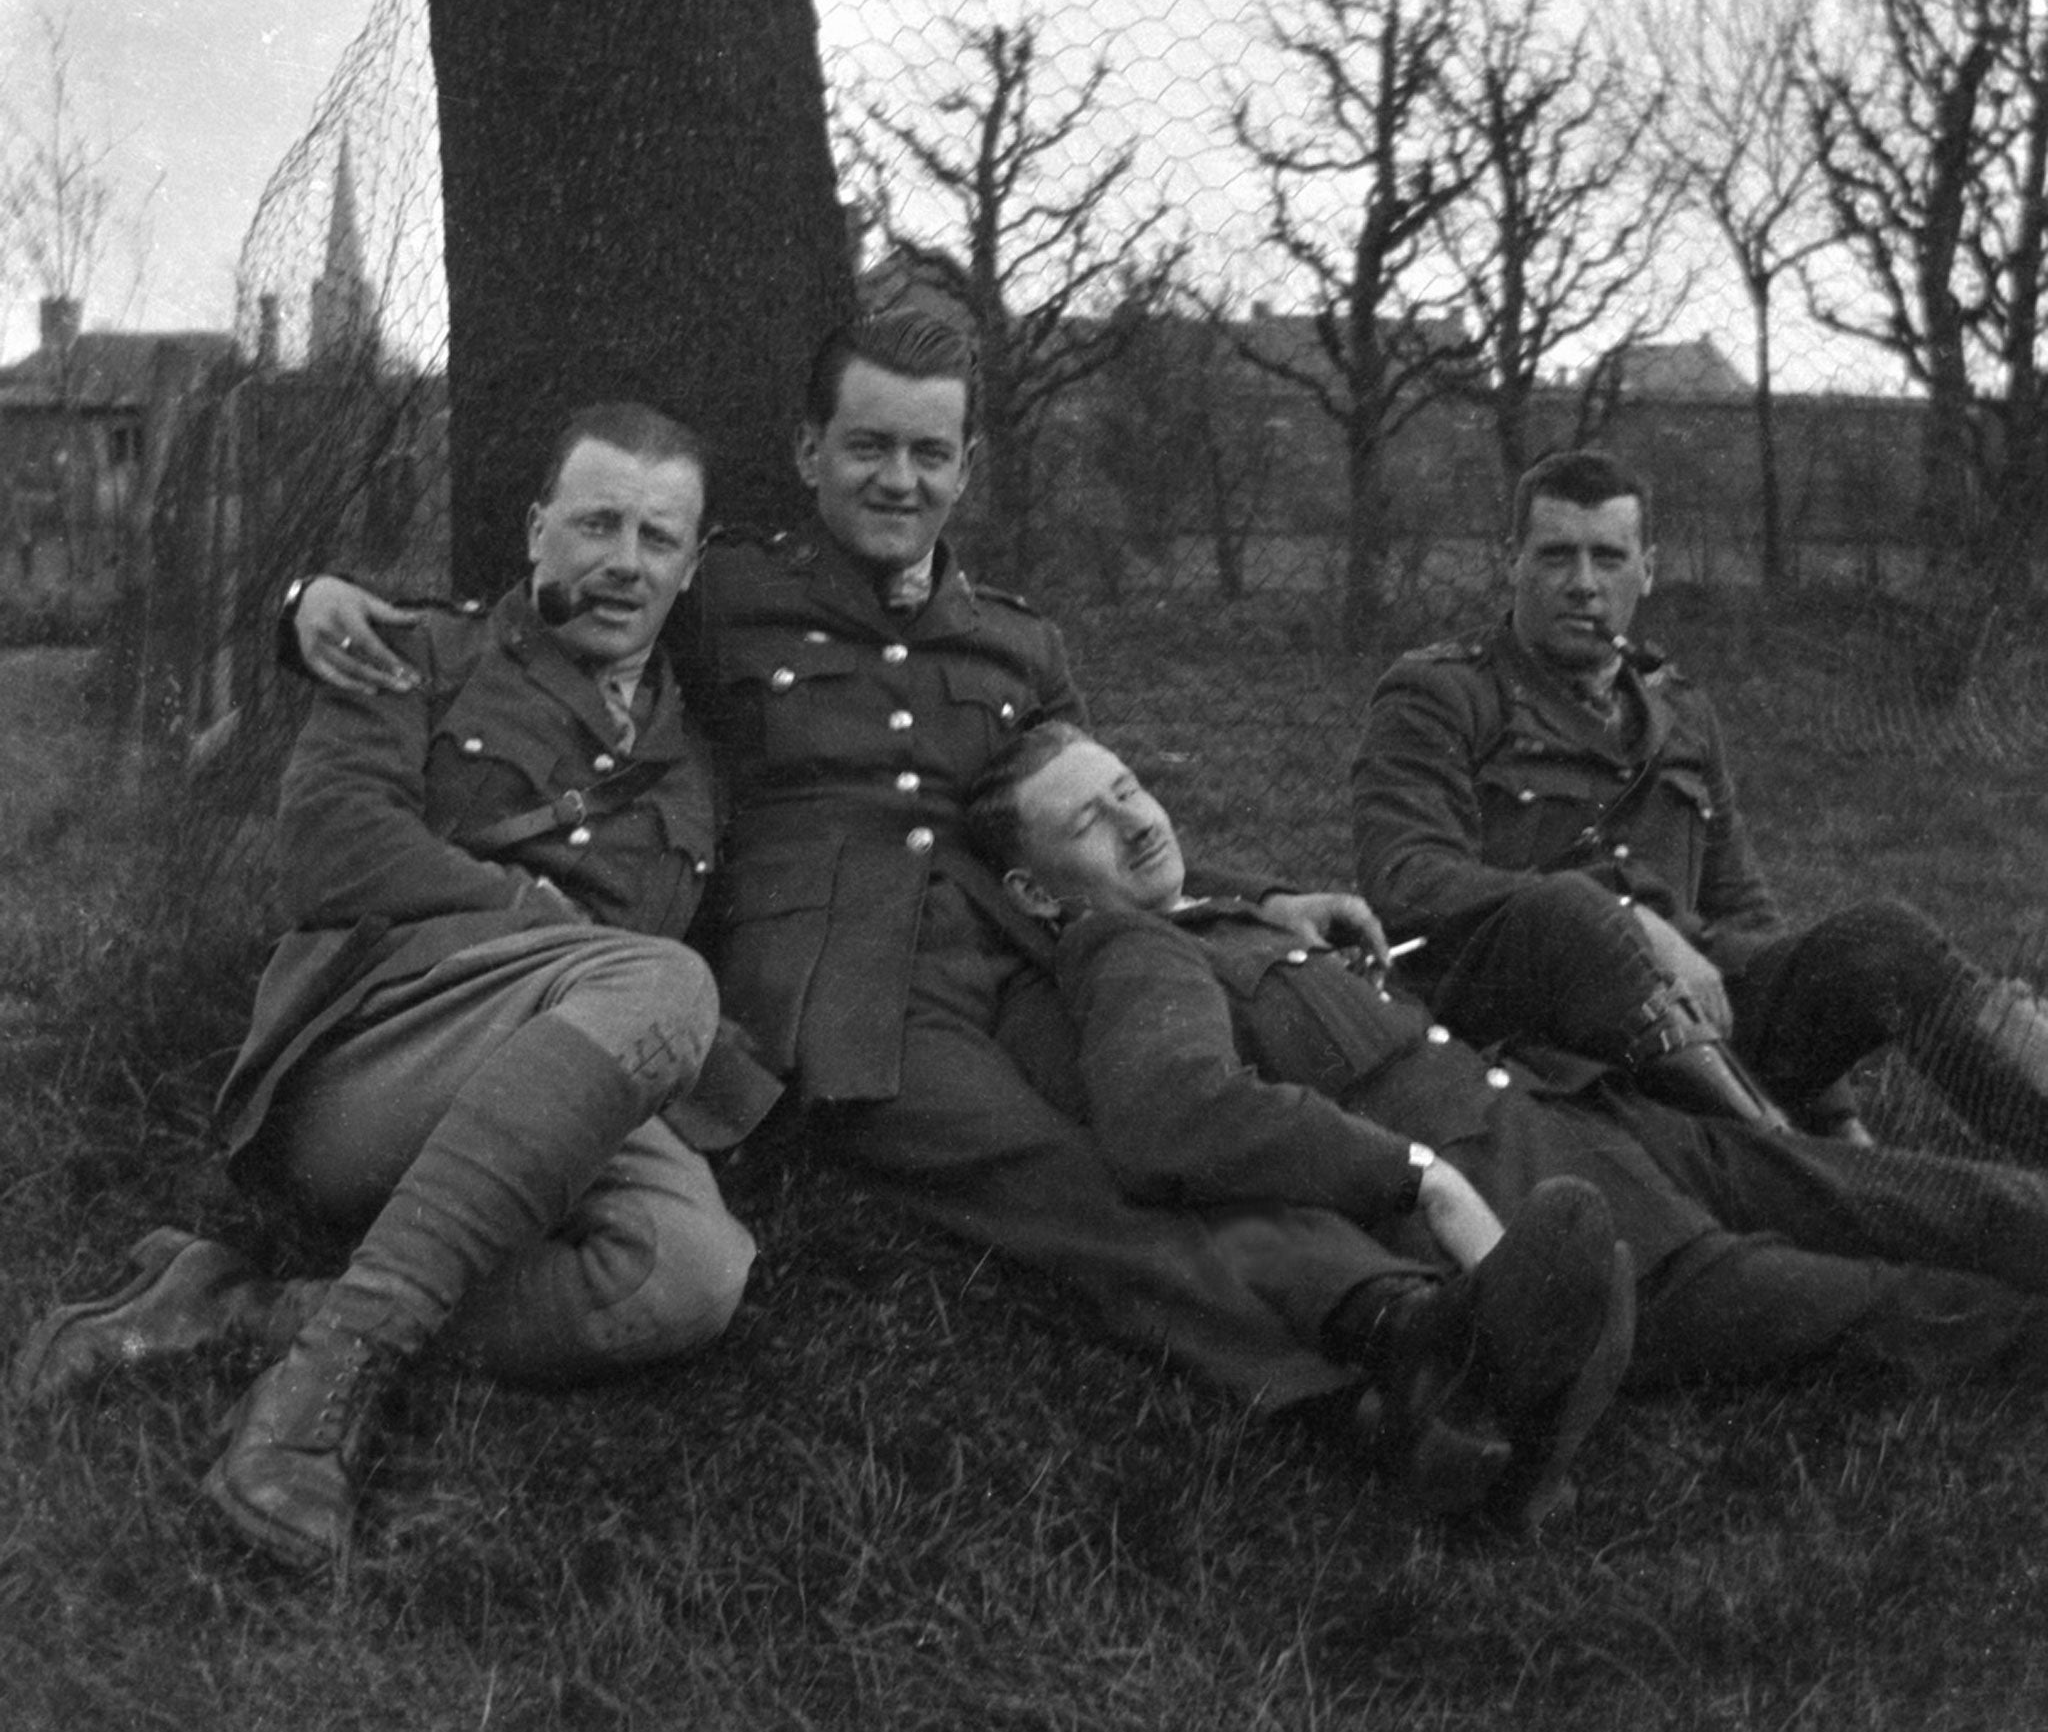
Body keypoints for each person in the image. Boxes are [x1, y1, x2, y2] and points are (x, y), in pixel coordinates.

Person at [254, 312, 1629, 1517]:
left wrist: (1247, 900)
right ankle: (1386, 1340)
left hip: (1023, 946)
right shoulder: (718, 591)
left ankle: (1434, 1348)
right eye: (868, 448)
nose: (897, 480)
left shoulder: (1022, 642)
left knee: (1155, 1127)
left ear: (968, 466)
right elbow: (549, 611)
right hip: (842, 988)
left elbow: (1088, 805)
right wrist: (307, 600)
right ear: (807, 456)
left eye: (929, 453)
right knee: (1064, 1176)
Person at [13, 404, 770, 1569]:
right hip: (376, 1057)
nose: (625, 561)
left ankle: (234, 1307)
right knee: (664, 979)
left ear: (689, 562)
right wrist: (527, 915)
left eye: (657, 538)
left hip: (573, 1075)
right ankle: (315, 1402)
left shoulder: (695, 762)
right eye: (597, 521)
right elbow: (331, 850)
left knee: (689, 1276)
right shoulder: (411, 652)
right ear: (535, 530)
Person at [969, 720, 2048, 1500]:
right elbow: (1171, 1113)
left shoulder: (1221, 914)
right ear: (1034, 892)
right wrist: (1413, 1177)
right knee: (1926, 1305)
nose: (1132, 818)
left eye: (1125, 786)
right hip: (1579, 1231)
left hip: (1619, 1131)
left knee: (1971, 1204)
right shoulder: (1125, 951)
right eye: (1087, 818)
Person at [1352, 447, 2048, 1155]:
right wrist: (1623, 919)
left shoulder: (1680, 712)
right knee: (1806, 1188)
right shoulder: (1441, 695)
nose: (1584, 584)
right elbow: (1408, 880)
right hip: (1539, 1037)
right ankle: (1809, 1172)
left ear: (1648, 567)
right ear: (1513, 561)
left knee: (1884, 941)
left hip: (1704, 1022)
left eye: (1609, 557)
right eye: (1557, 555)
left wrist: (1834, 1110)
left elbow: (1744, 911)